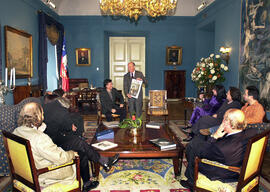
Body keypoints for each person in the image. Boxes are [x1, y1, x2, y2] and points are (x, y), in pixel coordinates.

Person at [13, 102, 99, 191]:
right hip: (45, 175)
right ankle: (87, 184)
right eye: (42, 113)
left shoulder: (16, 131)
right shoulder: (40, 138)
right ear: (38, 116)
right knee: (80, 154)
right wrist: (72, 153)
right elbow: (60, 158)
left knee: (75, 146)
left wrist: (40, 129)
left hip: (27, 173)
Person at [42, 95, 119, 189]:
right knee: (80, 143)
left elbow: (56, 124)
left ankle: (87, 183)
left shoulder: (48, 106)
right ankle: (104, 161)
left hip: (52, 136)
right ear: (66, 106)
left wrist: (69, 126)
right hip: (53, 143)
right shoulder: (63, 112)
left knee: (82, 150)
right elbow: (69, 128)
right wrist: (71, 126)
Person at [180, 109, 257, 190]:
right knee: (197, 143)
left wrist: (215, 136)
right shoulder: (252, 133)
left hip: (225, 173)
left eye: (223, 118)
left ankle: (192, 182)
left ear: (227, 123)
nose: (222, 121)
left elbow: (201, 153)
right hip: (241, 166)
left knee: (193, 149)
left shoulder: (221, 148)